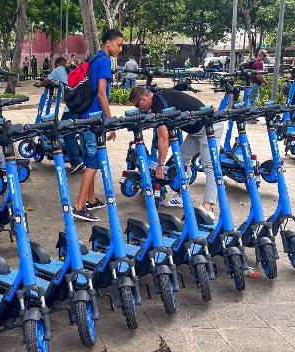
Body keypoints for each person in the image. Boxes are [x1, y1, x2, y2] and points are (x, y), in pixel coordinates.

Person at [128, 86, 221, 218]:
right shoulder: (159, 98)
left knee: (209, 166)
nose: (139, 108)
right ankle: (182, 196)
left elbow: (164, 139)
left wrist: (160, 165)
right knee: (180, 160)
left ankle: (208, 207)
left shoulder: (158, 108)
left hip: (210, 127)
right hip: (196, 130)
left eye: (138, 104)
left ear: (144, 98)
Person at [72, 28, 124, 222]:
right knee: (93, 163)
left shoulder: (95, 59)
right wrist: (110, 122)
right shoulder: (103, 61)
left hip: (86, 116)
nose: (120, 49)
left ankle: (91, 199)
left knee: (89, 160)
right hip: (94, 118)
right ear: (108, 43)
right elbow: (102, 93)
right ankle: (79, 205)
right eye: (118, 44)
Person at [46, 56, 84, 174]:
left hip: (72, 107)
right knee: (82, 132)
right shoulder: (75, 70)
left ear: (57, 64)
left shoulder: (58, 70)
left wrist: (39, 84)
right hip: (84, 105)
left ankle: (76, 161)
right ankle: (84, 158)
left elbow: (47, 81)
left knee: (66, 132)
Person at [248, 49, 268, 115]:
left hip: (252, 83)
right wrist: (265, 81)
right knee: (252, 101)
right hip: (255, 84)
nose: (266, 57)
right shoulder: (258, 63)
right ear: (261, 55)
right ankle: (251, 115)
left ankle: (250, 115)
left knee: (251, 99)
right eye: (265, 55)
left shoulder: (255, 61)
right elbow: (258, 76)